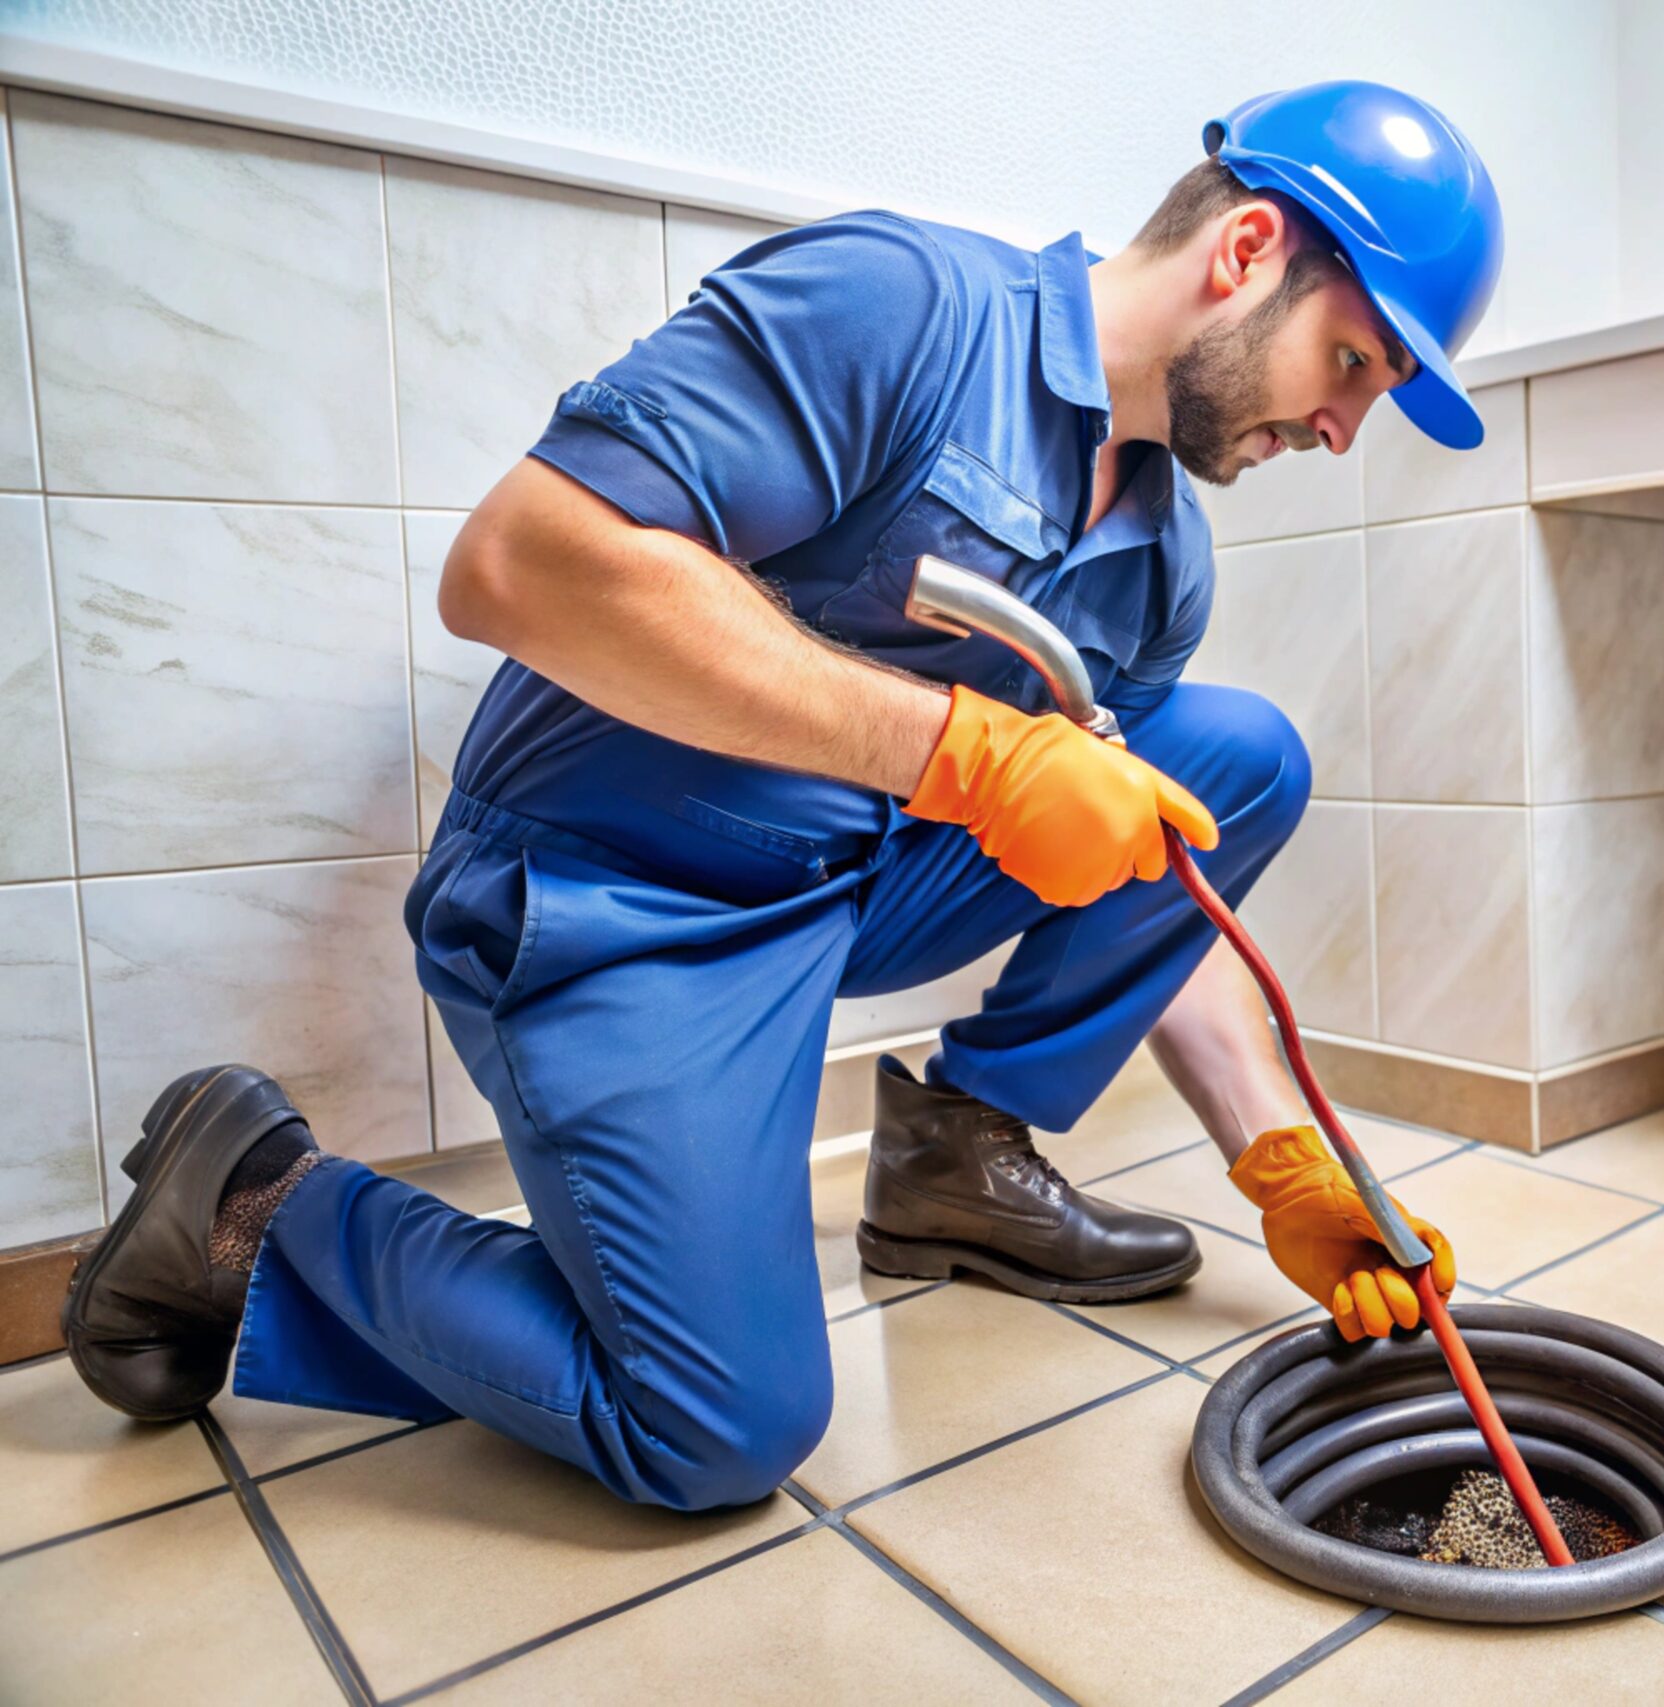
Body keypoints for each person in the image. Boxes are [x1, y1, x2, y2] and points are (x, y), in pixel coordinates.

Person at [61, 81, 1505, 1512]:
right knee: (718, 1427)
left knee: (1231, 762)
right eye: (1354, 361)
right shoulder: (907, 309)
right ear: (1247, 252)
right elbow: (519, 564)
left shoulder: (1162, 562)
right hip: (615, 894)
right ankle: (253, 1202)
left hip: (842, 889)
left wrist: (1276, 1156)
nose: (1343, 429)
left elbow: (1148, 877)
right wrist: (963, 755)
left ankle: (955, 1161)